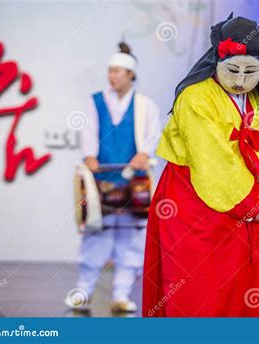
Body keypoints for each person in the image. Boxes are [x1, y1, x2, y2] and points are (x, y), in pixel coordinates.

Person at [142, 15, 259, 317]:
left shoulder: (255, 102)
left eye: (251, 71)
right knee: (200, 290)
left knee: (247, 291)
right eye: (233, 70)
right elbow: (212, 159)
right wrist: (252, 204)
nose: (240, 79)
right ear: (217, 61)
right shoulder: (194, 98)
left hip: (243, 201)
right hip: (193, 206)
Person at [66, 42, 161, 313]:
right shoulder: (95, 101)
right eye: (110, 71)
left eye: (118, 71)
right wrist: (89, 156)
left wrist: (144, 154)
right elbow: (88, 133)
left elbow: (152, 136)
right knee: (95, 232)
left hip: (134, 178)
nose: (112, 76)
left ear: (130, 73)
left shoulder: (145, 105)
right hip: (102, 179)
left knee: (132, 237)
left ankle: (121, 293)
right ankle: (83, 291)